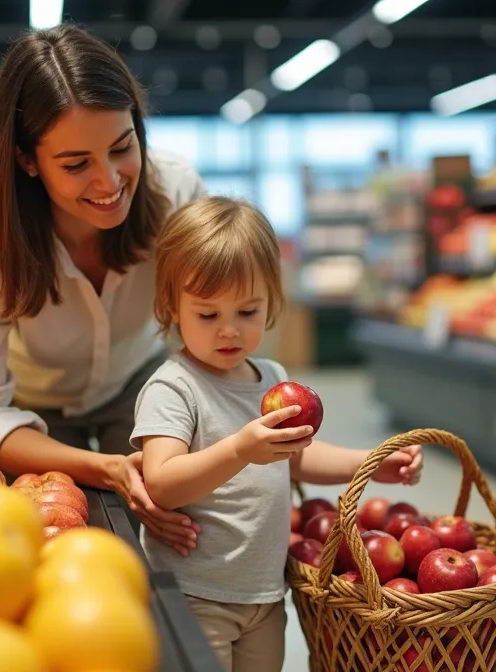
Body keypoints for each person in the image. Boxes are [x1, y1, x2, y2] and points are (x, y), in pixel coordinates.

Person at [0, 24, 206, 554]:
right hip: (31, 411)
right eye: (76, 164)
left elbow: (217, 321)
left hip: (140, 385)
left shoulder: (175, 194)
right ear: (27, 161)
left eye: (121, 147)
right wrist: (98, 467)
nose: (108, 182)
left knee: (163, 542)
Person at [131, 197, 424, 672]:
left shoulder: (271, 378)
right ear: (171, 306)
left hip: (266, 596)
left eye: (248, 311)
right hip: (194, 593)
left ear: (272, 300)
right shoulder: (173, 387)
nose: (229, 331)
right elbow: (162, 481)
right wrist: (241, 449)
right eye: (208, 315)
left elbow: (298, 456)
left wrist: (369, 462)